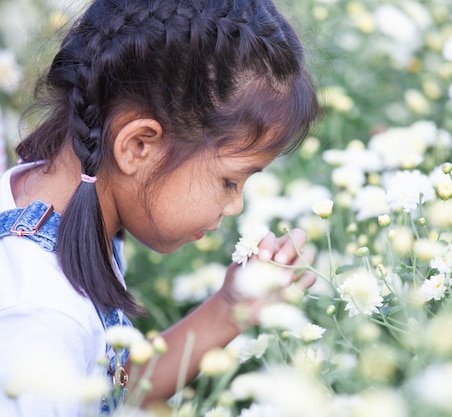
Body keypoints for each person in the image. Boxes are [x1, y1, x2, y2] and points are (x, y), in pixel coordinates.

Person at [0, 0, 319, 415]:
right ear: (138, 146)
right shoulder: (41, 325)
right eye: (228, 180)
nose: (234, 206)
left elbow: (115, 385)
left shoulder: (61, 201)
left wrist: (229, 309)